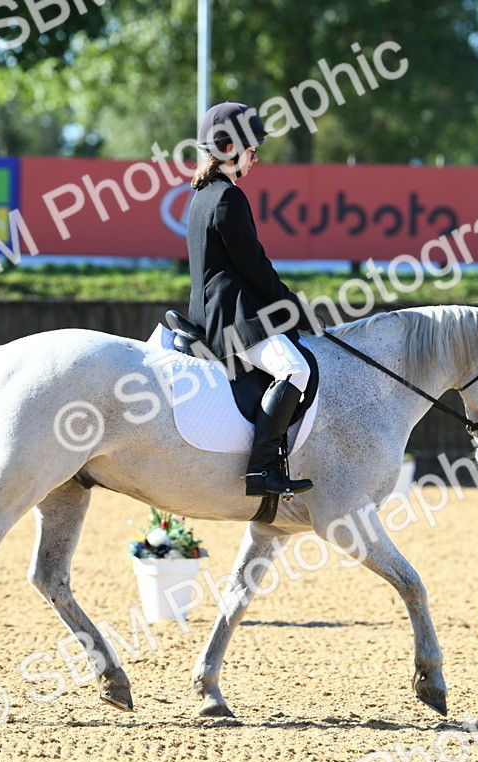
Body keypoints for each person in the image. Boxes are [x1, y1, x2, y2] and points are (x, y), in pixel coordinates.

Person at [186, 101, 314, 499]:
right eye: (252, 150)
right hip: (232, 319)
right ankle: (262, 468)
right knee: (295, 370)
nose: (256, 157)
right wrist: (293, 305)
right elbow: (254, 267)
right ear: (228, 147)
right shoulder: (227, 198)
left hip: (215, 312)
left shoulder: (203, 194)